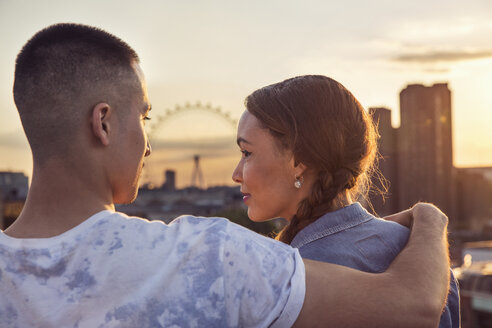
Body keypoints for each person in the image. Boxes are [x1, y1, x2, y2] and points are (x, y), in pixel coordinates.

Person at [0, 23, 449, 327]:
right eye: (144, 117)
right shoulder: (210, 258)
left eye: (247, 154)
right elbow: (414, 302)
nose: (148, 144)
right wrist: (429, 220)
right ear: (104, 123)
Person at [232, 75, 460, 327]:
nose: (236, 174)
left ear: (298, 161)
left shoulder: (289, 281)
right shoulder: (428, 259)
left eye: (246, 153)